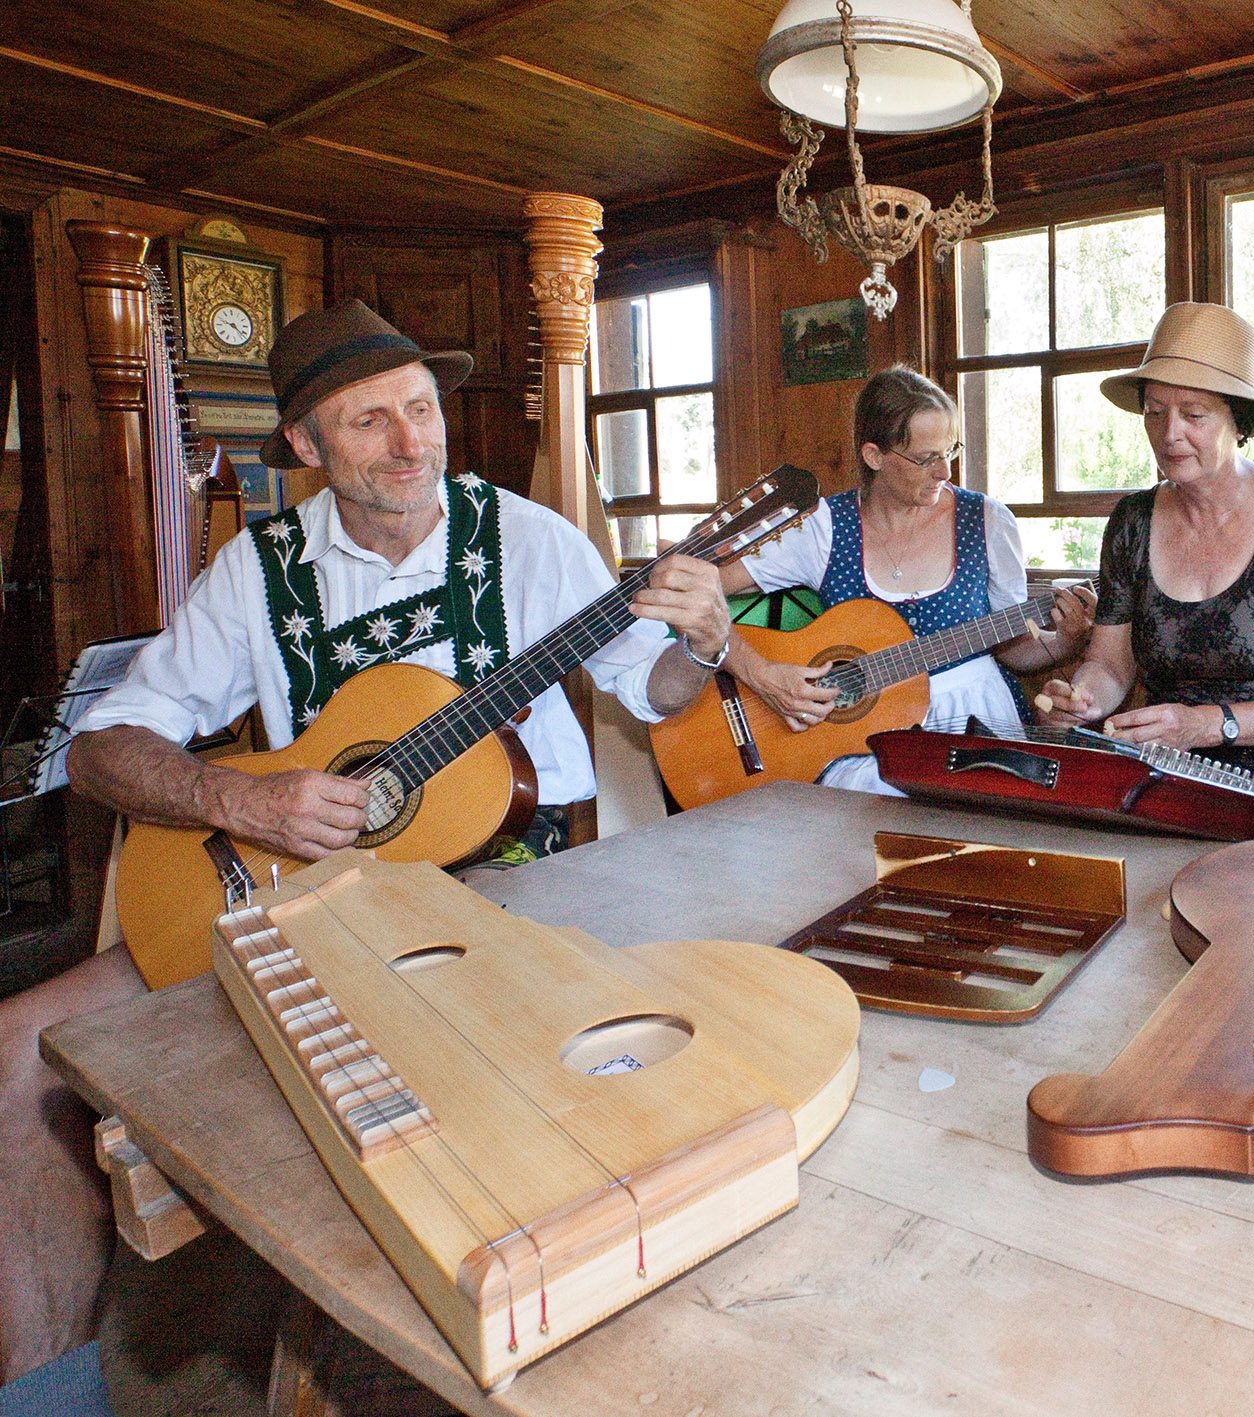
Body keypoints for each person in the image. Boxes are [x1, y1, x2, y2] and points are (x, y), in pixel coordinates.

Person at [0, 300, 736, 1381]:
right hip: (296, 899)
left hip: (509, 893)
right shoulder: (258, 570)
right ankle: (47, 1394)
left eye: (422, 411)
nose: (410, 443)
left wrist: (707, 646)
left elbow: (652, 689)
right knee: (15, 1052)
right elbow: (104, 747)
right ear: (303, 446)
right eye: (368, 421)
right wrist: (239, 803)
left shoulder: (529, 539)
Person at [1038, 302, 1254, 803]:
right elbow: (1110, 665)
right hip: (1173, 784)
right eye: (1154, 412)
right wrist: (1081, 700)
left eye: (1193, 415)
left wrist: (1207, 726)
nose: (1170, 434)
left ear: (1240, 422)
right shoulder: (1133, 521)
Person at [720, 365, 1094, 794]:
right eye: (924, 458)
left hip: (976, 723)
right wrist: (762, 674)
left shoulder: (987, 521)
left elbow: (1011, 650)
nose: (945, 472)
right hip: (859, 736)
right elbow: (701, 592)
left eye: (949, 451)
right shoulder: (824, 527)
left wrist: (1066, 641)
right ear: (874, 456)